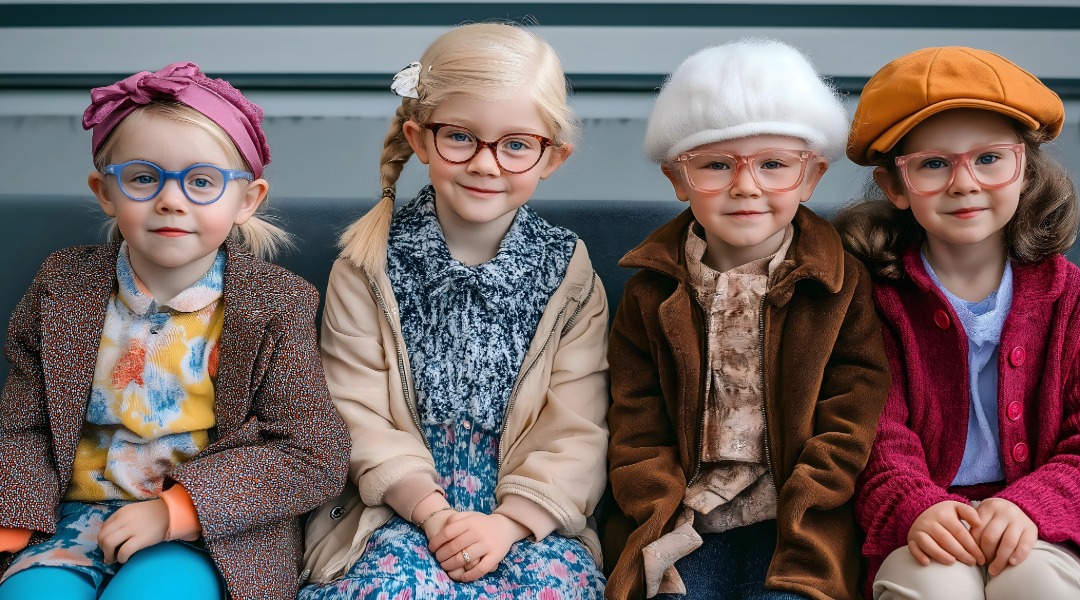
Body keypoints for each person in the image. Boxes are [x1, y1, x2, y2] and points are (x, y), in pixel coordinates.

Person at [0, 62, 350, 600]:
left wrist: (175, 511)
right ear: (104, 192)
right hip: (68, 514)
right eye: (144, 177)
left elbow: (313, 452)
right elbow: (23, 423)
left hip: (205, 530)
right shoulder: (61, 288)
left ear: (247, 200)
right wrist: (14, 521)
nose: (171, 199)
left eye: (202, 182)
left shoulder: (277, 304)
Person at [300, 22, 609, 599]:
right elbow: (355, 411)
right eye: (461, 137)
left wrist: (508, 523)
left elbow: (577, 424)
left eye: (516, 144)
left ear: (552, 157)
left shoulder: (567, 272)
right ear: (419, 140)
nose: (487, 164)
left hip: (522, 515)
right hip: (393, 508)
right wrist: (432, 512)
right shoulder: (368, 265)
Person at [603, 39, 890, 600]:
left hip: (796, 517)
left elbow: (853, 407)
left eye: (774, 165)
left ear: (811, 178)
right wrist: (658, 507)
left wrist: (811, 496)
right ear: (677, 179)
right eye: (715, 165)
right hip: (688, 518)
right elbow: (635, 424)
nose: (746, 186)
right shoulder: (650, 292)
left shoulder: (839, 283)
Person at [836, 46, 1080, 599]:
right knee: (933, 587)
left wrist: (1031, 504)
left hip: (1047, 522)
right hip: (923, 525)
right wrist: (916, 505)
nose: (964, 182)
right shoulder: (872, 303)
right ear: (895, 186)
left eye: (989, 158)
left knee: (1038, 581)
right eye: (934, 163)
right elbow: (873, 436)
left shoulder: (1069, 298)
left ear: (1025, 171)